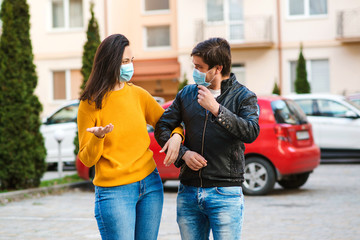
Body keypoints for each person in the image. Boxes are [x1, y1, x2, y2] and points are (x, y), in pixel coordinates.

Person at [77, 34, 183, 240]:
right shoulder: (89, 104)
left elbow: (169, 122)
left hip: (150, 185)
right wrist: (98, 137)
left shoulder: (139, 95)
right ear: (109, 63)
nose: (129, 66)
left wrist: (177, 136)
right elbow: (87, 159)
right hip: (114, 192)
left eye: (131, 61)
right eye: (124, 62)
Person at [155, 37, 260, 240]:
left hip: (225, 194)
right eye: (194, 66)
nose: (195, 71)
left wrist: (216, 109)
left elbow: (251, 132)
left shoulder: (243, 96)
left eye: (200, 67)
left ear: (217, 68)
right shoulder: (187, 94)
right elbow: (162, 126)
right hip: (188, 192)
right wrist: (183, 153)